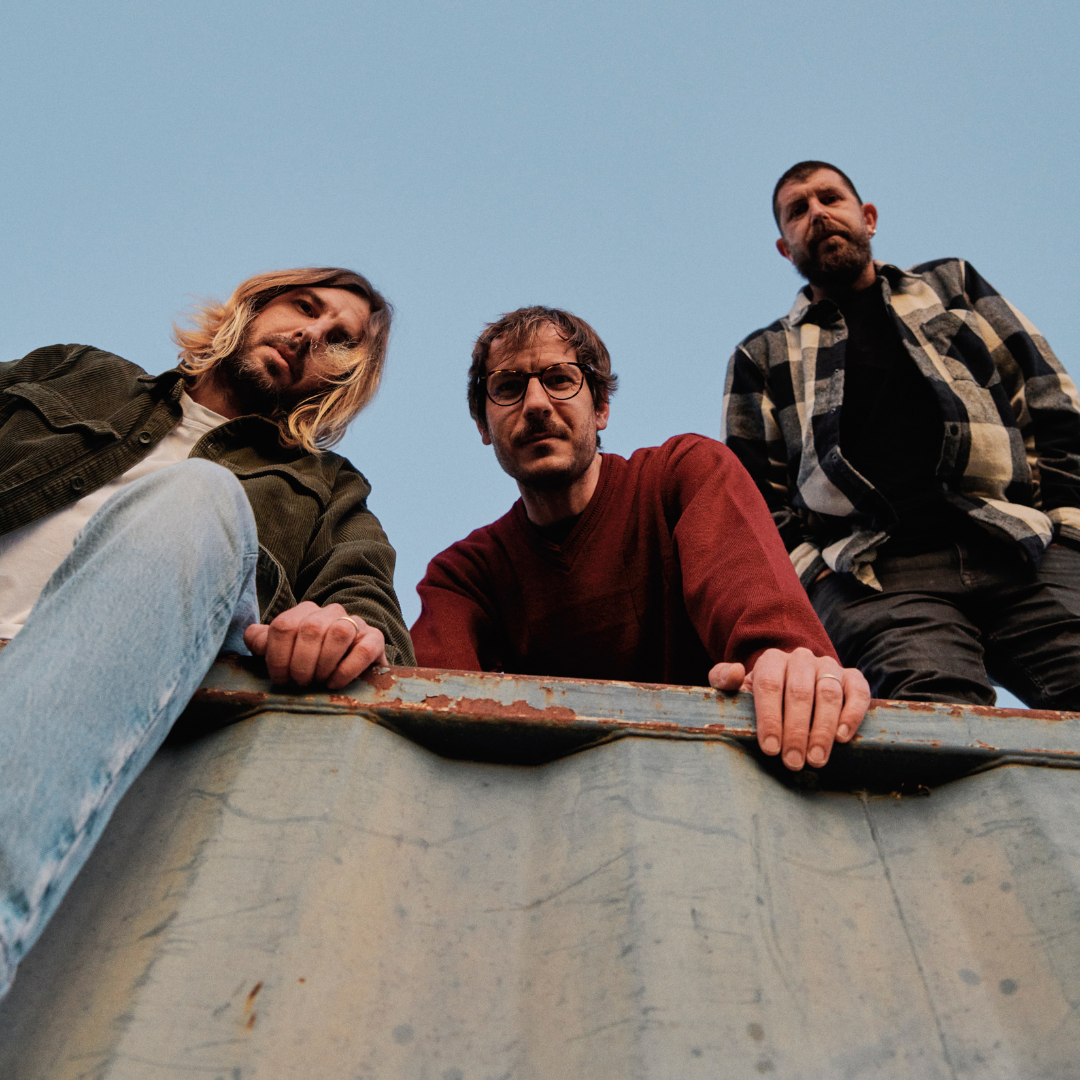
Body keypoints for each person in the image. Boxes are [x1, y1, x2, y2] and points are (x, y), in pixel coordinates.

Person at [0, 267, 414, 998]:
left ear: (345, 378)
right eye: (304, 307)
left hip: (92, 698)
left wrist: (340, 625)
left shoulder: (327, 488)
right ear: (252, 307)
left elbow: (369, 608)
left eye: (339, 340)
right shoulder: (81, 372)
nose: (310, 335)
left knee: (198, 495)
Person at [411, 306, 870, 774]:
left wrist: (786, 662)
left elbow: (764, 616)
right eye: (508, 387)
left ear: (601, 408)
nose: (536, 403)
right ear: (483, 425)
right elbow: (425, 710)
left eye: (559, 379)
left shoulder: (685, 477)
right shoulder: (463, 577)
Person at [723, 160, 1080, 708]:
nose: (817, 213)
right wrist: (815, 578)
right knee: (936, 724)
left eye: (830, 198)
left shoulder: (952, 286)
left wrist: (1068, 528)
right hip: (875, 577)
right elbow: (754, 500)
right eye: (797, 210)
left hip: (1017, 543)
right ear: (784, 248)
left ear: (867, 217)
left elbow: (1047, 397)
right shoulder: (763, 355)